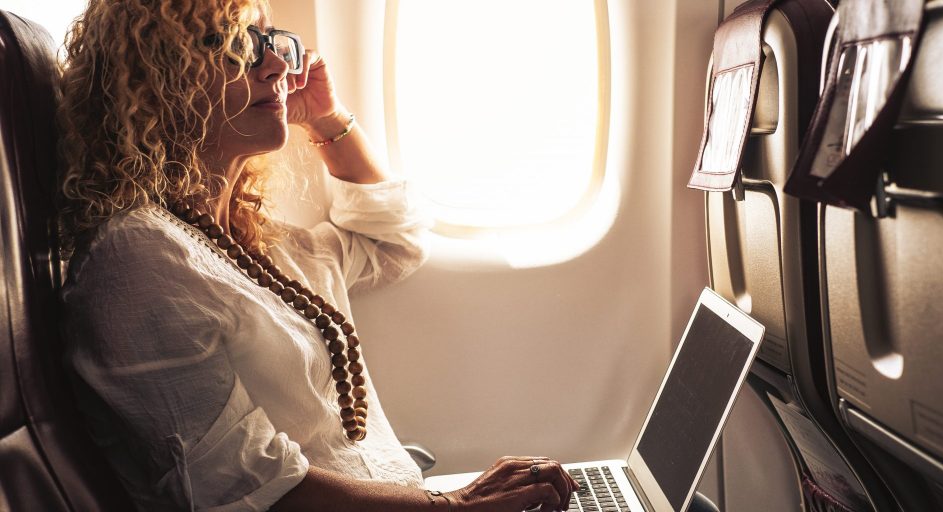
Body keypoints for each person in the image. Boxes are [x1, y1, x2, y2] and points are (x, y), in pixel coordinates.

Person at [56, 0, 578, 510]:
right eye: (239, 45)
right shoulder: (140, 258)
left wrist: (326, 118)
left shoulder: (247, 242)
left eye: (272, 43)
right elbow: (252, 492)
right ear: (156, 82)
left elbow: (394, 244)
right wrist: (456, 505)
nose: (278, 65)